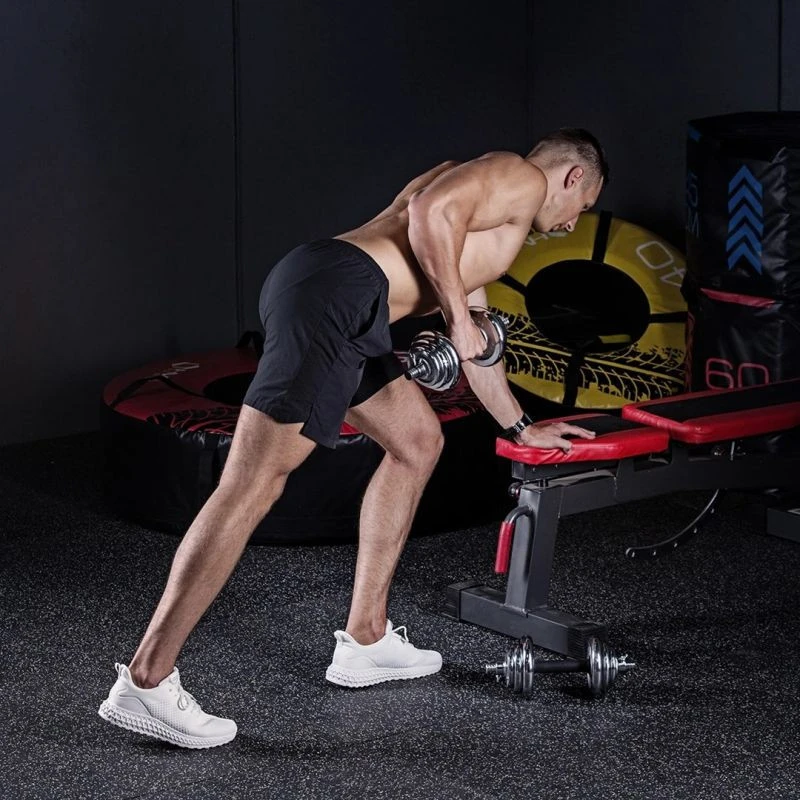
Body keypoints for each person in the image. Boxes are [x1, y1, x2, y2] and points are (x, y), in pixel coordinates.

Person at [99, 127, 608, 748]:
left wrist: (521, 424)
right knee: (252, 483)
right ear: (572, 177)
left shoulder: (490, 219)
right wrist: (454, 318)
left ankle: (366, 638)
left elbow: (477, 342)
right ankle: (147, 679)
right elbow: (430, 212)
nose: (571, 224)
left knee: (417, 443)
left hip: (342, 297)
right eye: (581, 208)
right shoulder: (519, 177)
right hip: (338, 294)